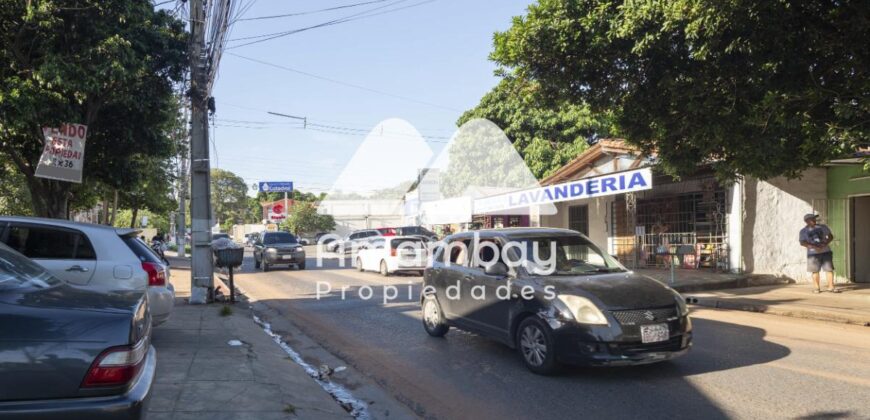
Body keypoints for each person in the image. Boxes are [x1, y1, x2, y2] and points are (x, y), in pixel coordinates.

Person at [799, 213, 839, 293]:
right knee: (815, 270)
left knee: (829, 269)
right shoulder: (803, 231)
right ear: (806, 221)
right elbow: (802, 242)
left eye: (814, 218)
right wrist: (813, 247)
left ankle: (831, 287)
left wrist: (825, 243)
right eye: (812, 219)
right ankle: (817, 288)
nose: (814, 220)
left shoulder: (823, 227)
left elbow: (830, 236)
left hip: (826, 251)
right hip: (813, 254)